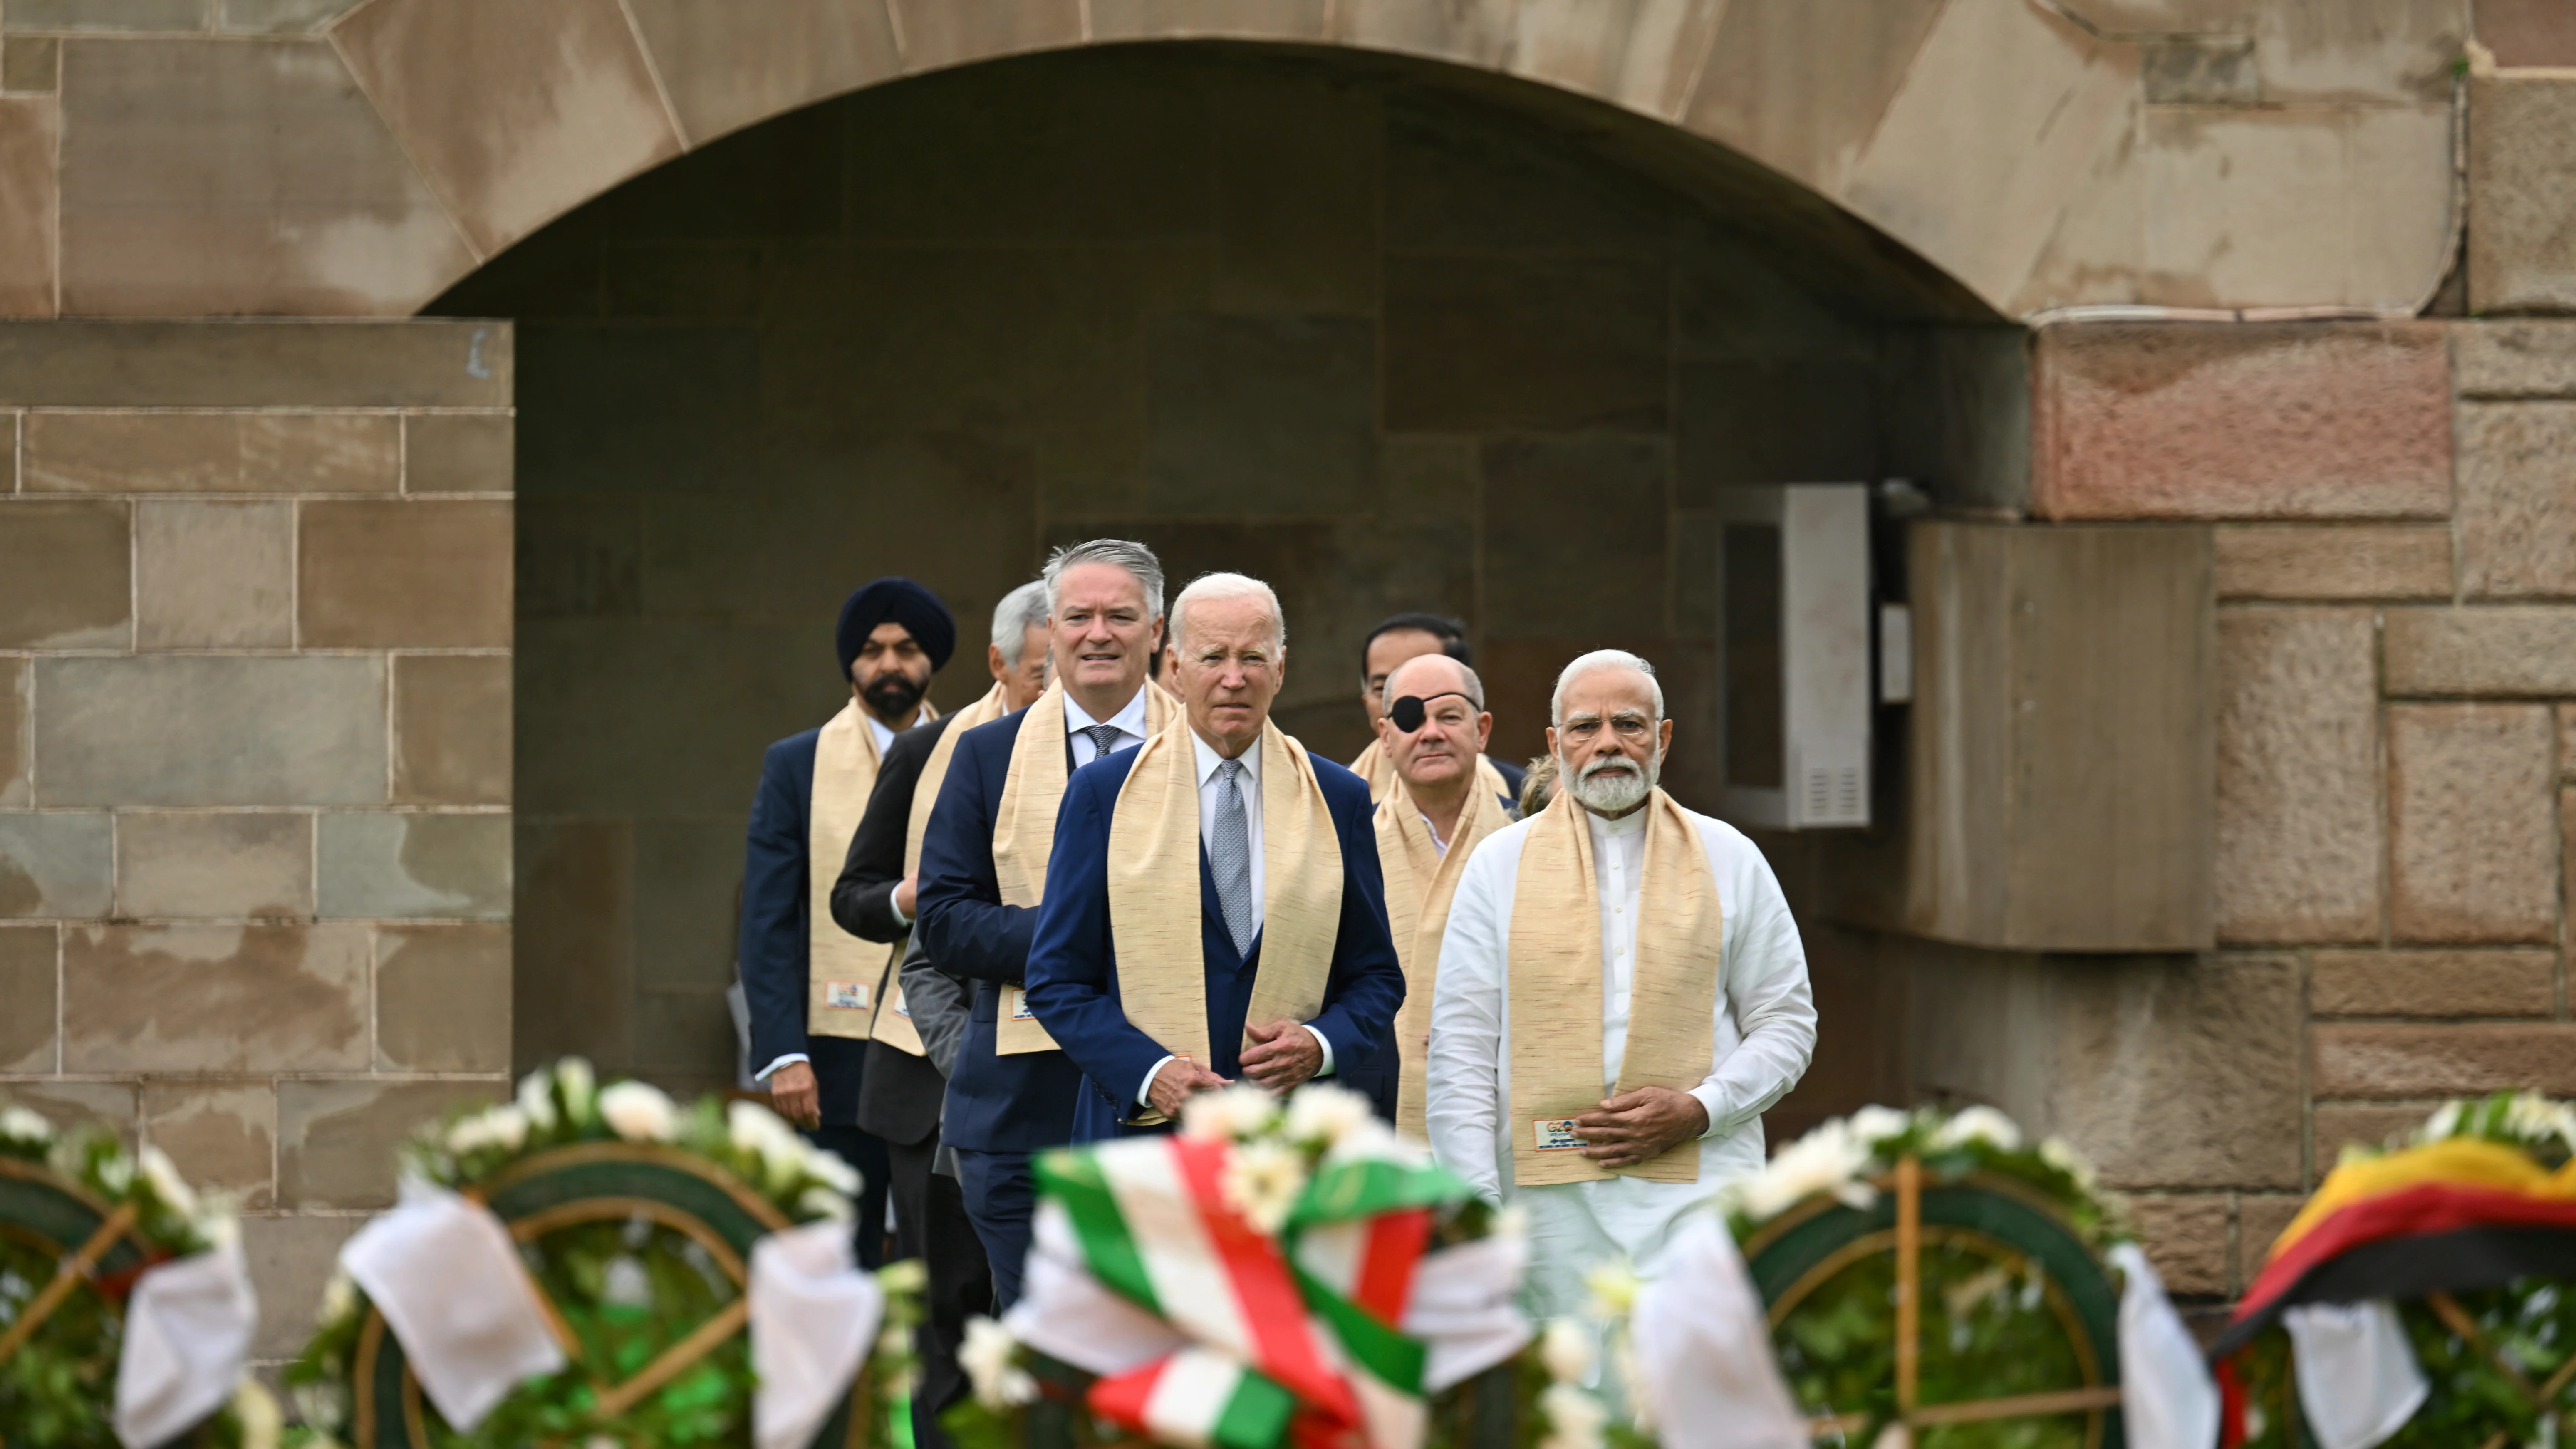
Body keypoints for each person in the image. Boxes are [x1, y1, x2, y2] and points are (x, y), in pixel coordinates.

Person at [1424, 649, 1816, 1316]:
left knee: (1692, 1397)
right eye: (1585, 727)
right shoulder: (1498, 867)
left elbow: (1786, 1023)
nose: (1608, 742)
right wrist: (1477, 1212)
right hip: (1544, 1205)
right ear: (1555, 743)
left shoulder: (1731, 857)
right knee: (1565, 1406)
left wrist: (1701, 1107)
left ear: (1662, 737)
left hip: (1699, 1185)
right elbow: (1460, 1048)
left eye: (1629, 724)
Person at [1023, 572, 1407, 1139]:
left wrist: (1321, 1044)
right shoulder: (1103, 794)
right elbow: (1057, 979)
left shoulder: (1338, 796)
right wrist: (1152, 1073)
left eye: (1253, 656)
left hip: (1290, 1137)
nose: (1234, 678)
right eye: (1214, 657)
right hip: (1143, 1137)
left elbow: (1376, 975)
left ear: (1281, 668)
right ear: (1175, 667)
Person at [915, 540, 1179, 1306]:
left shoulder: (1205, 752)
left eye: (1120, 616)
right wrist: (1087, 933)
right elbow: (944, 921)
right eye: (1078, 616)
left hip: (1161, 1094)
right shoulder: (984, 755)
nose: (1098, 632)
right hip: (1016, 1112)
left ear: (1157, 631)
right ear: (1052, 630)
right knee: (1044, 1360)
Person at [828, 579, 1048, 1447]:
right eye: (1040, 671)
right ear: (1000, 665)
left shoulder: (1115, 761)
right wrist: (914, 896)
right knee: (947, 1307)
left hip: (1062, 1070)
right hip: (931, 1073)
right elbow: (853, 895)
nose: (1056, 686)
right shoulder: (933, 755)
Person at [741, 577, 956, 1268]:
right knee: (835, 1254)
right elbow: (767, 916)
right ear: (849, 663)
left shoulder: (976, 749)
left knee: (943, 1253)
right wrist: (783, 1051)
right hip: (831, 1052)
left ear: (934, 660)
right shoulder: (795, 763)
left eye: (906, 648)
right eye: (871, 650)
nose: (889, 664)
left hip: (942, 1043)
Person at [1370, 651, 1517, 1141]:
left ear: (1483, 729)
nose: (1430, 732)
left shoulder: (1533, 838)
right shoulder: (1346, 844)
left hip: (1514, 1091)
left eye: (1449, 715)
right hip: (1385, 1098)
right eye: (1412, 719)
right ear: (1386, 737)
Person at [1349, 612, 1525, 805]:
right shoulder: (1332, 795)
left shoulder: (1522, 793)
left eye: (1424, 682)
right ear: (1367, 704)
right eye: (1382, 689)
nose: (1399, 700)